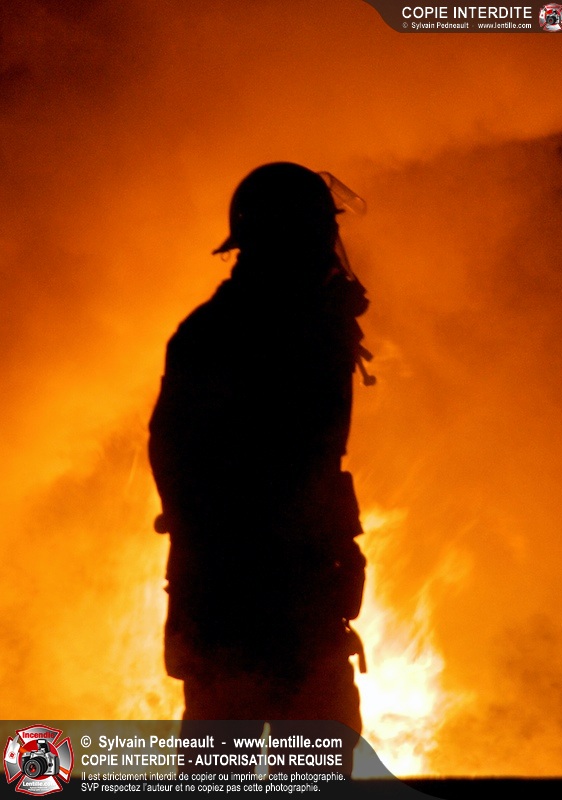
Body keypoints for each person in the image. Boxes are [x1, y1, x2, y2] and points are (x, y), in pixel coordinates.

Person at [148, 163, 369, 763]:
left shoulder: (232, 329)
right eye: (318, 233)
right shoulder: (258, 335)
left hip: (259, 604)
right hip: (262, 604)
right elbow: (268, 460)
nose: (329, 250)